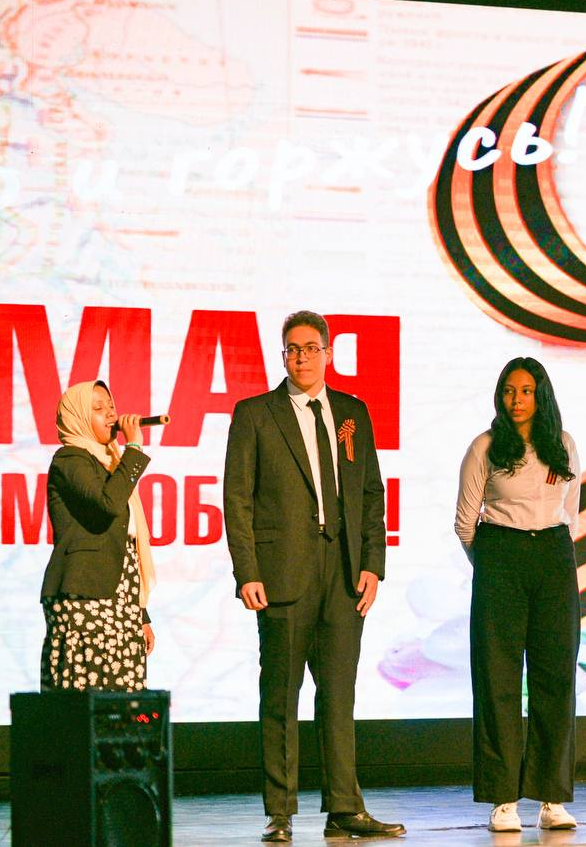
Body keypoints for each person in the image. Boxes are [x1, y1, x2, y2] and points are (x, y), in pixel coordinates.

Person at [223, 311, 403, 842]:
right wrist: (247, 571)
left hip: (343, 574)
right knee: (280, 696)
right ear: (283, 356)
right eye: (291, 349)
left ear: (328, 353)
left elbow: (371, 492)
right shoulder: (256, 414)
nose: (301, 357)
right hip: (282, 573)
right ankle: (280, 812)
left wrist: (373, 564)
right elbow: (237, 499)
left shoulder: (352, 412)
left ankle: (344, 807)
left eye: (310, 348)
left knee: (339, 695)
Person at [454, 357, 582, 833]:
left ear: (541, 395)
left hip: (553, 556)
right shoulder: (485, 446)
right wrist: (493, 566)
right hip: (499, 556)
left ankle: (552, 798)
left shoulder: (563, 444)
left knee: (555, 678)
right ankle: (503, 799)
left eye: (526, 391)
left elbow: (571, 512)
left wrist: (544, 554)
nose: (517, 400)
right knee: (498, 680)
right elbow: (465, 522)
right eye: (509, 390)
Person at [41, 380, 155, 691]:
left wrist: (141, 614)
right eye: (98, 408)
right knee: (84, 693)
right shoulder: (70, 459)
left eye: (111, 406)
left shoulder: (111, 463)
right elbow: (107, 504)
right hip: (84, 597)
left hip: (122, 598)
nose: (111, 414)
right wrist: (134, 449)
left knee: (125, 696)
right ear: (78, 416)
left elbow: (122, 546)